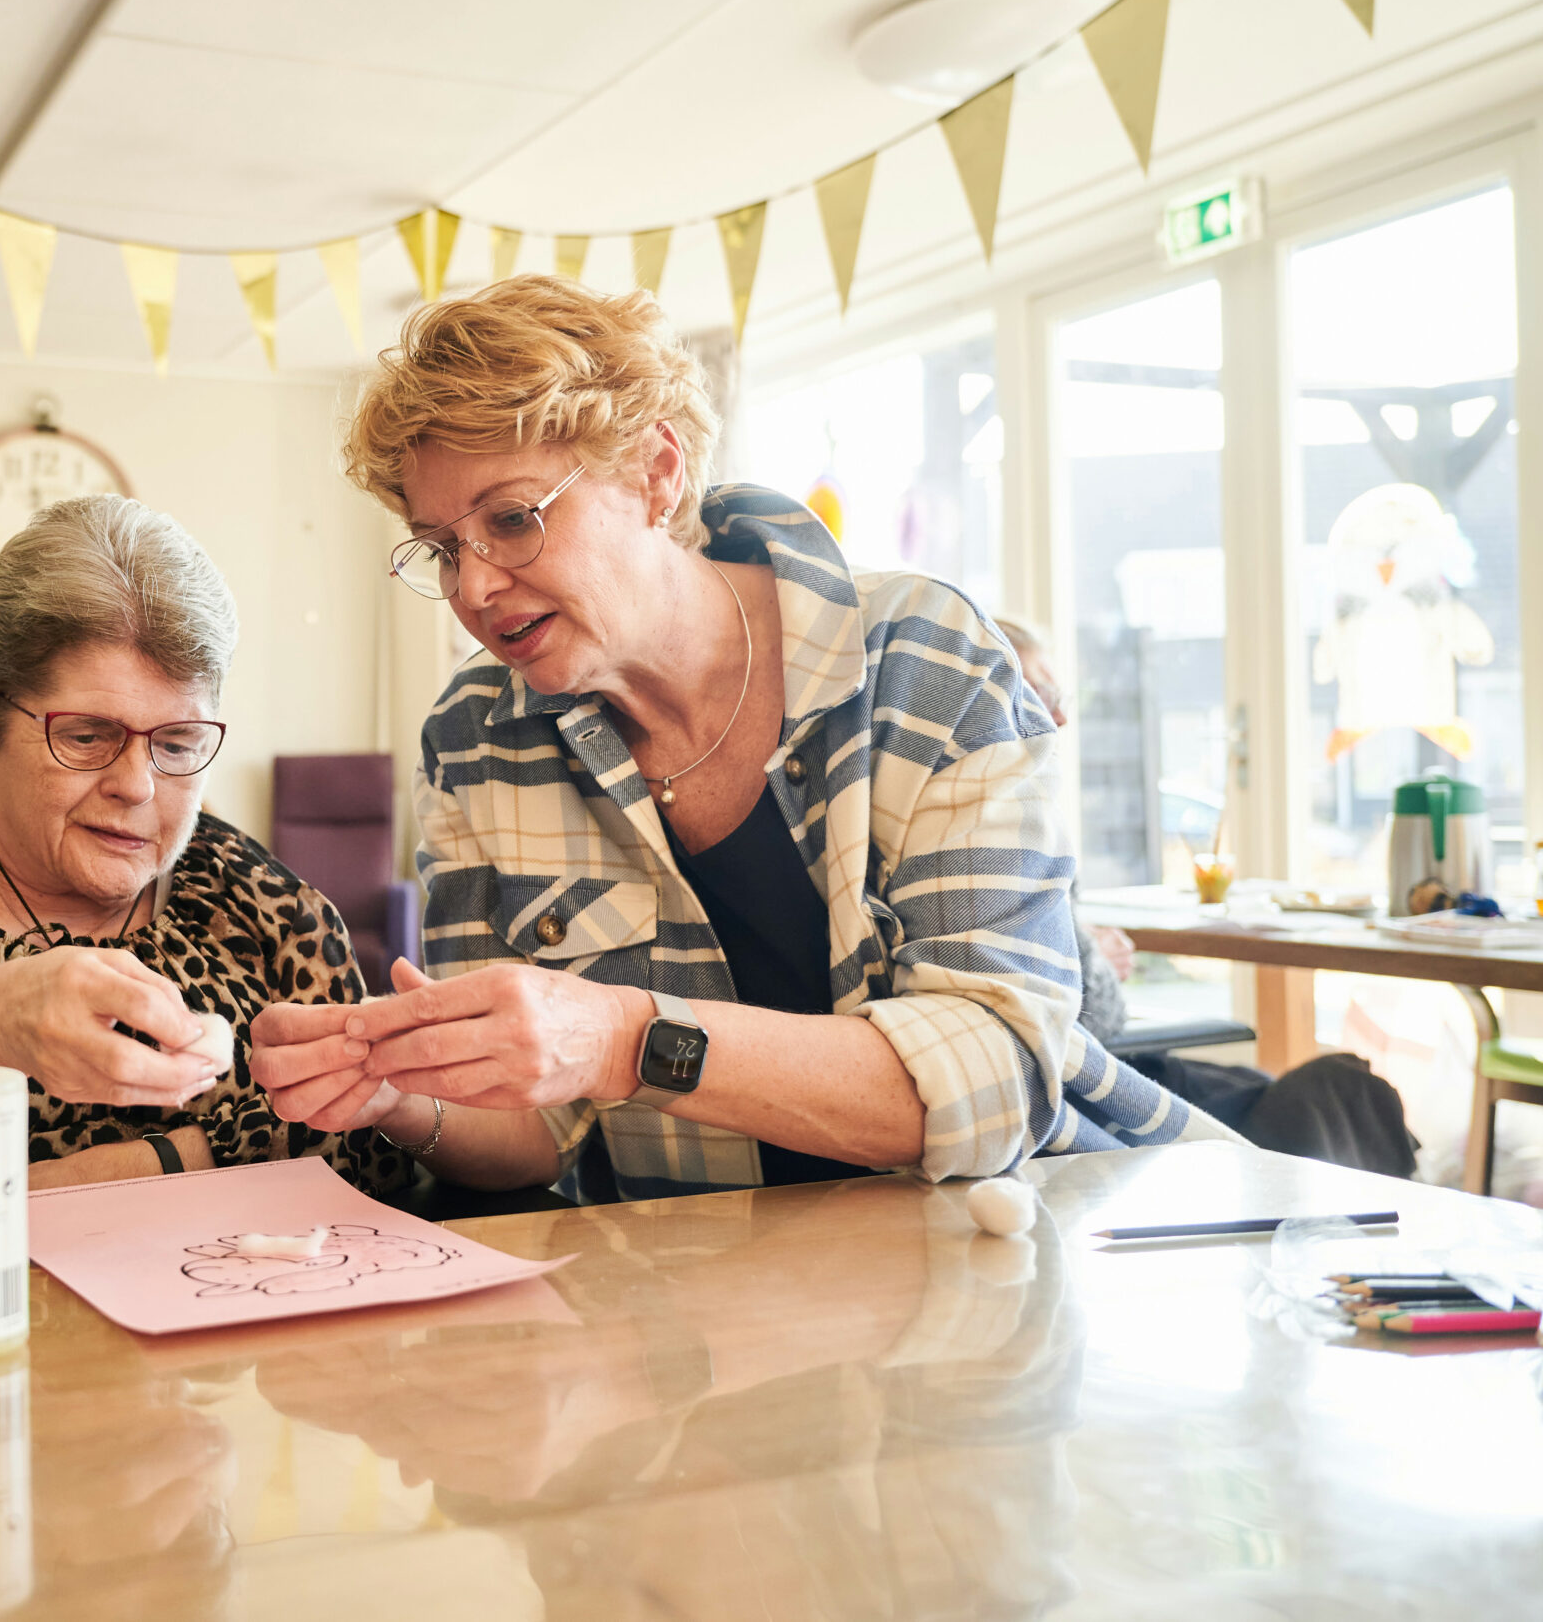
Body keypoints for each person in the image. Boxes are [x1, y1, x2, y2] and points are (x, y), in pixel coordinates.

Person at [251, 275, 1232, 1200]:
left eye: (511, 519)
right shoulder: (475, 737)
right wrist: (402, 1096)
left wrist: (629, 1040)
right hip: (707, 1299)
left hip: (1032, 1234)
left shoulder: (923, 664)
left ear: (656, 472)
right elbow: (535, 1129)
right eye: (440, 546)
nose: (469, 587)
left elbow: (995, 1080)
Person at [0, 495, 551, 1237]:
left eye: (177, 743)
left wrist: (111, 1173)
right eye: (85, 736)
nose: (137, 786)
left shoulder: (257, 901)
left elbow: (358, 1156)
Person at [990, 614, 1134, 1043]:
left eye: (1058, 695)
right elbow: (1096, 1018)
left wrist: (1079, 943)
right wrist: (1097, 961)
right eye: (1040, 693)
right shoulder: (1013, 823)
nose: (1061, 717)